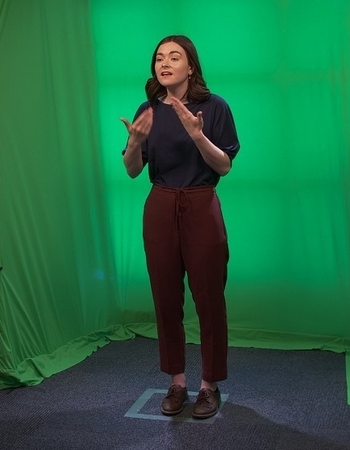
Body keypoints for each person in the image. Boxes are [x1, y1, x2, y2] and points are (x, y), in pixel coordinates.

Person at [119, 35, 240, 420]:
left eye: (175, 57)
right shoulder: (147, 109)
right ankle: (177, 381)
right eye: (159, 58)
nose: (165, 63)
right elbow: (133, 170)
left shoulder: (214, 107)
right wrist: (135, 143)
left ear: (191, 67)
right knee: (166, 298)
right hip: (160, 204)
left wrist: (196, 134)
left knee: (208, 298)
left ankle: (209, 386)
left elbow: (223, 166)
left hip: (201, 203)